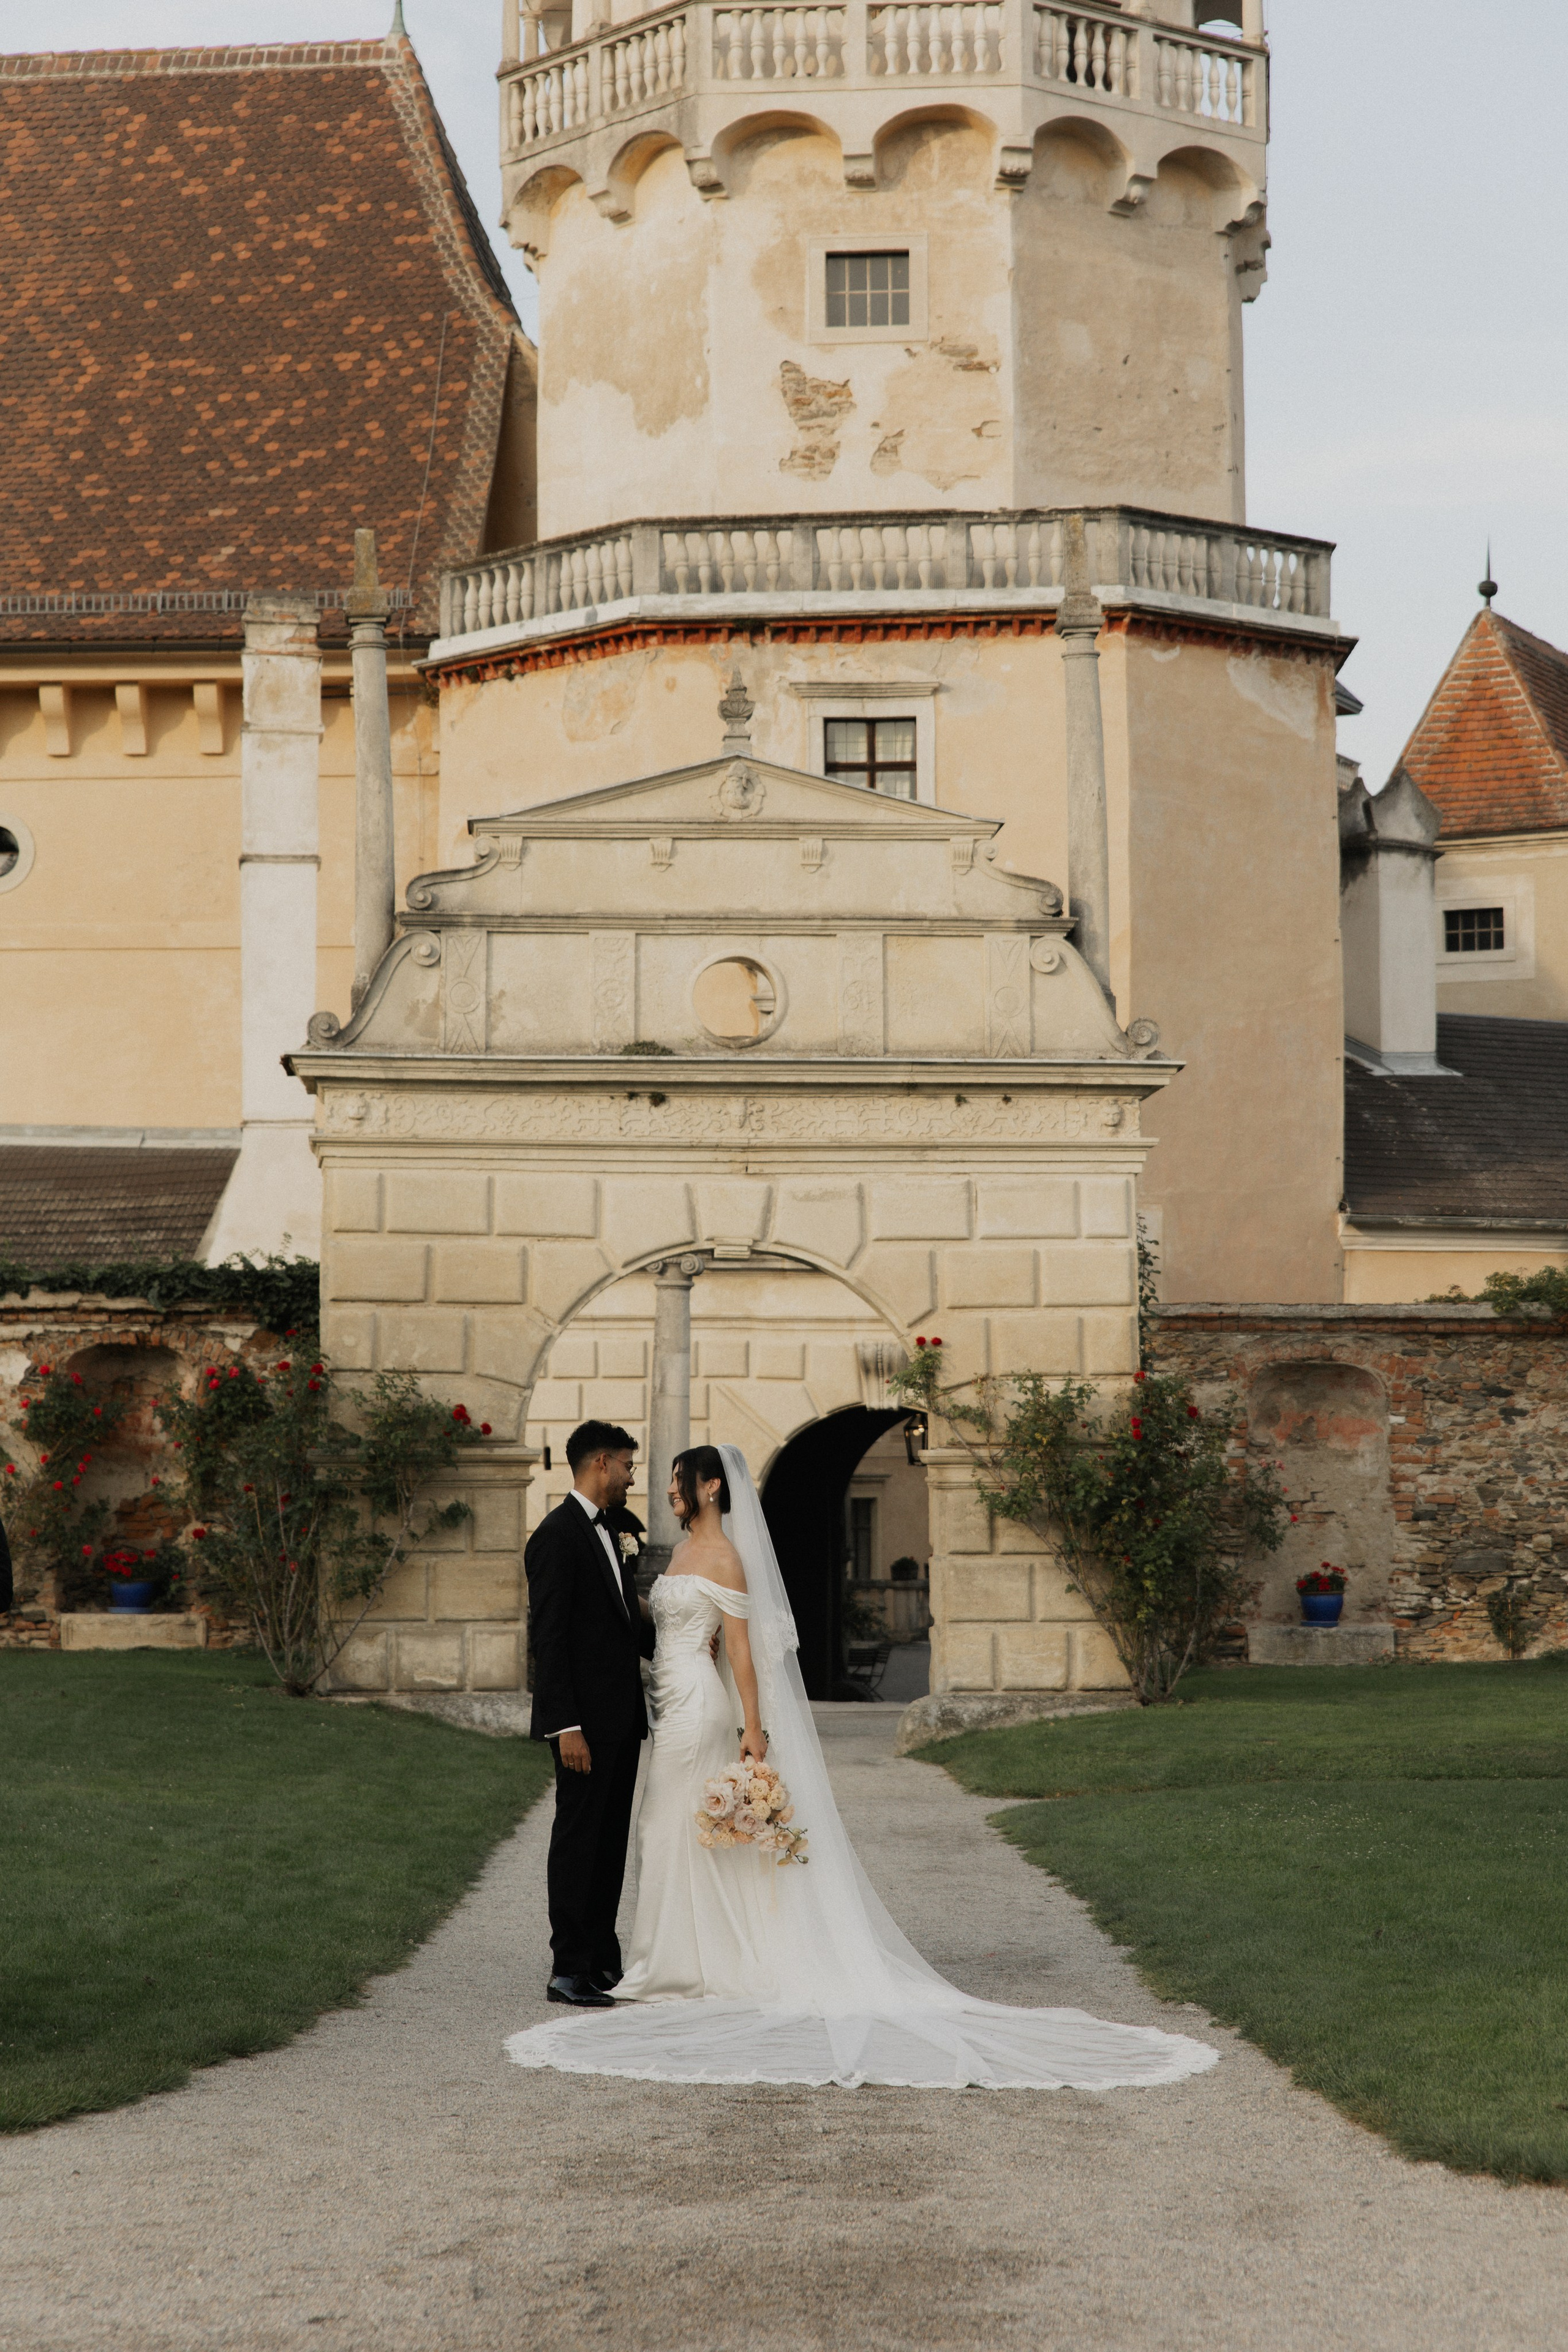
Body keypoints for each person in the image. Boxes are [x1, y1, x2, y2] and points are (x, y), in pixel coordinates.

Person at [507, 1442, 1221, 2092]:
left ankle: (674, 1963)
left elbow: (744, 1652)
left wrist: (752, 1725)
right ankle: (661, 1956)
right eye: (654, 1476)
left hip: (697, 1708)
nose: (664, 1489)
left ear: (712, 1488)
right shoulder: (670, 1549)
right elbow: (634, 1622)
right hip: (668, 1699)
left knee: (669, 1827)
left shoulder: (723, 1556)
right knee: (662, 1830)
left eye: (676, 1480)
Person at [524, 1420, 655, 2010]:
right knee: (579, 1840)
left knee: (609, 1841)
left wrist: (680, 1644)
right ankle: (568, 1968)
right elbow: (549, 1640)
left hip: (621, 1719)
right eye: (628, 1466)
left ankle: (602, 1957)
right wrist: (565, 1727)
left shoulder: (615, 1531)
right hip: (582, 1725)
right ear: (602, 1462)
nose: (631, 1477)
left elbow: (622, 1621)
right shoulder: (556, 1536)